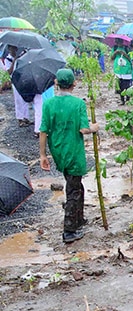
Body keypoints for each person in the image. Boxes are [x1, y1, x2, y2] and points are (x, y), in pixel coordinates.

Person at [38, 68, 99, 244]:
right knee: (73, 190)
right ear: (74, 84)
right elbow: (84, 129)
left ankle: (79, 219)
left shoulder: (49, 104)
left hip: (58, 150)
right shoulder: (78, 104)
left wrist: (43, 155)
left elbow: (43, 131)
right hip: (73, 151)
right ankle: (70, 230)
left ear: (56, 84)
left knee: (76, 185)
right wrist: (94, 128)